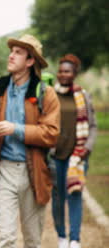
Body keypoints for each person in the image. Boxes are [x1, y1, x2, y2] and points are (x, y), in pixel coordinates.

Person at [0, 34, 61, 248]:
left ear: (30, 61)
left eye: (18, 52)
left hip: (33, 172)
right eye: (11, 51)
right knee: (6, 238)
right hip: (3, 170)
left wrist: (14, 129)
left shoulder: (46, 94)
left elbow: (52, 133)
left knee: (33, 240)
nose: (11, 56)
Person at [51, 54, 97, 248]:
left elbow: (93, 126)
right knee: (58, 198)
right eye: (61, 70)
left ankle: (75, 239)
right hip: (55, 156)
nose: (63, 74)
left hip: (77, 157)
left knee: (75, 195)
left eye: (67, 71)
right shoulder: (51, 95)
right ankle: (62, 236)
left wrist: (87, 148)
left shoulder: (83, 96)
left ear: (74, 73)